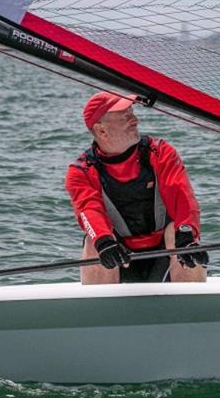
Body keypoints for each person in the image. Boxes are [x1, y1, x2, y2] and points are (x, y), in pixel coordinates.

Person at [65, 91, 208, 284]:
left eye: (132, 112)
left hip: (165, 256)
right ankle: (101, 309)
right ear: (101, 130)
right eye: (125, 116)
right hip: (119, 259)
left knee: (181, 233)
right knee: (94, 243)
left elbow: (181, 196)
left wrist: (187, 235)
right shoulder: (81, 171)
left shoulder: (160, 152)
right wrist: (104, 242)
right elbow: (89, 210)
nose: (135, 120)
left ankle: (192, 307)